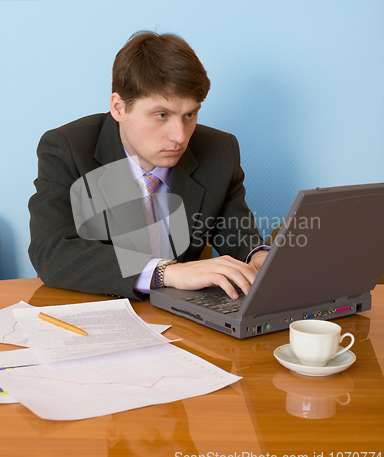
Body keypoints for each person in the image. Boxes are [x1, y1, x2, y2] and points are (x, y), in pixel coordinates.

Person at [28, 31, 269, 302]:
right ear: (119, 108)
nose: (180, 136)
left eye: (190, 114)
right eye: (161, 115)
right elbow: (51, 253)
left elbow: (235, 232)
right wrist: (166, 273)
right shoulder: (68, 149)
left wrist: (258, 257)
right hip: (100, 315)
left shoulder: (220, 151)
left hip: (184, 320)